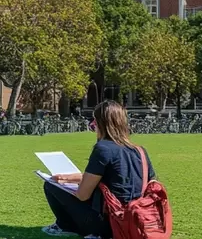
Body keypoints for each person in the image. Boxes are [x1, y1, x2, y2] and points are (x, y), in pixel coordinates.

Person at [41, 100, 157, 238]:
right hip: (137, 219)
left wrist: (68, 187)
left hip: (109, 224)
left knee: (50, 185)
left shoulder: (103, 149)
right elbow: (118, 178)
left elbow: (83, 195)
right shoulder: (140, 151)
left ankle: (66, 226)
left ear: (100, 124)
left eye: (94, 122)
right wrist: (67, 178)